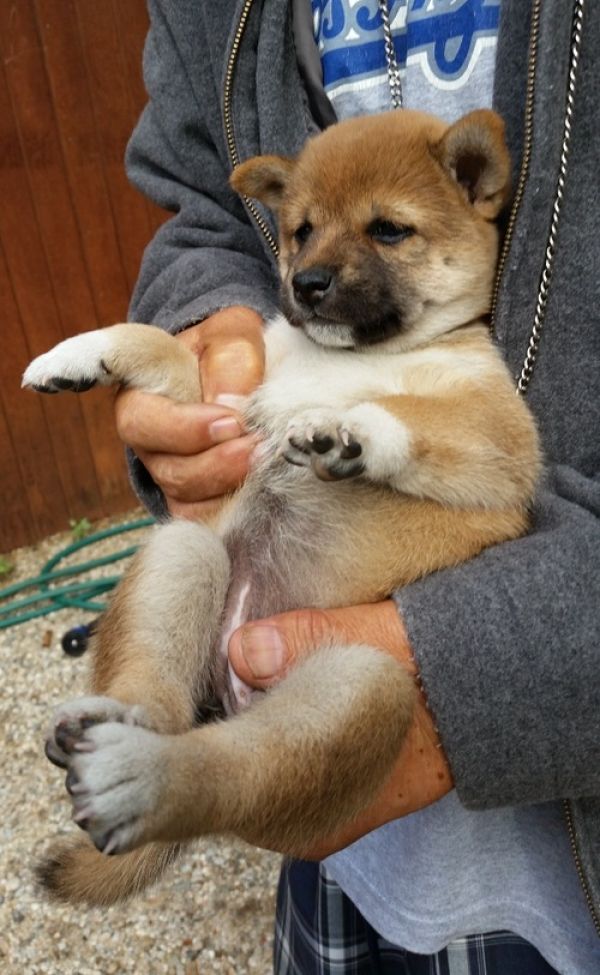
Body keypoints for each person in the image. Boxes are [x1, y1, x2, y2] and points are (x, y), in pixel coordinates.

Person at [115, 1, 600, 972]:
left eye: (386, 229)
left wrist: (492, 662)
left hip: (560, 844)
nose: (315, 271)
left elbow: (498, 465)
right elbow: (201, 205)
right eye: (302, 235)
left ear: (476, 183)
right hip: (347, 864)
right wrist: (201, 320)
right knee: (174, 575)